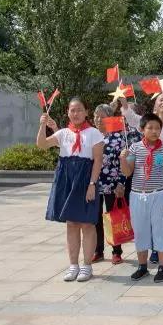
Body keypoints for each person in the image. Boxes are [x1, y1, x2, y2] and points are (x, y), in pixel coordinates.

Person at [37, 98, 104, 282]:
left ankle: (87, 266)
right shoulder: (63, 133)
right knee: (72, 223)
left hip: (85, 180)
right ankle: (73, 265)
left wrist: (92, 184)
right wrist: (42, 125)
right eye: (72, 110)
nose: (75, 114)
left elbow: (98, 160)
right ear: (68, 112)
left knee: (87, 224)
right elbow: (42, 144)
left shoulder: (94, 133)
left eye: (79, 110)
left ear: (86, 112)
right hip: (66, 180)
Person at [121, 94, 163, 264]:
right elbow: (131, 117)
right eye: (161, 99)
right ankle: (153, 249)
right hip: (147, 185)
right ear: (155, 105)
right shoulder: (147, 122)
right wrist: (124, 104)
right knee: (150, 220)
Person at [120, 113, 163, 283]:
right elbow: (127, 172)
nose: (154, 131)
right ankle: (142, 266)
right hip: (138, 196)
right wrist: (123, 159)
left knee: (161, 230)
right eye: (150, 128)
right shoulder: (134, 149)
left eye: (157, 128)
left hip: (159, 195)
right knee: (140, 230)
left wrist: (157, 187)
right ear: (142, 129)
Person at [92, 104, 127, 265]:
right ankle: (98, 251)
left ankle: (116, 251)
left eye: (102, 116)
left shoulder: (118, 137)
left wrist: (121, 183)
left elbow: (124, 162)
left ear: (109, 118)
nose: (98, 119)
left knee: (114, 218)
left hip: (112, 184)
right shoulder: (91, 136)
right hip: (94, 184)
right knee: (96, 219)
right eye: (96, 116)